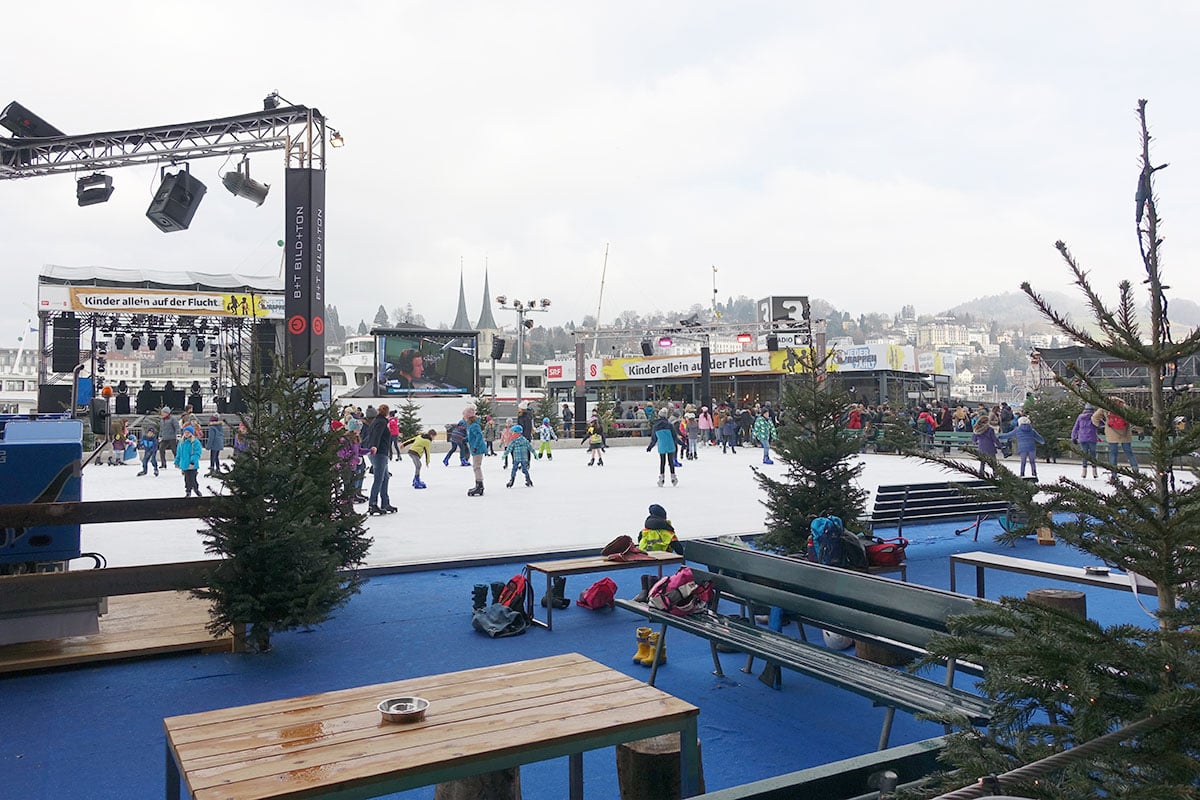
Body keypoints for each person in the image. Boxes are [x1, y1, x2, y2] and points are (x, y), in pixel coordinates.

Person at [361, 404, 397, 514]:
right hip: (379, 453)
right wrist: (374, 446)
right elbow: (376, 435)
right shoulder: (381, 422)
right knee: (379, 479)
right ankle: (372, 504)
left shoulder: (377, 421)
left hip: (380, 452)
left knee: (385, 478)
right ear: (386, 412)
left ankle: (385, 502)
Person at [1093, 399, 1139, 472]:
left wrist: (1098, 426)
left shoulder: (1104, 407)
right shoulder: (1124, 407)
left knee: (1113, 454)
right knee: (1129, 453)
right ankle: (1136, 472)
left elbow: (1095, 417)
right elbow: (1135, 418)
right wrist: (1140, 430)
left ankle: (1114, 474)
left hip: (1111, 433)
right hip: (1125, 433)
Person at [647, 407, 679, 486]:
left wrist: (650, 446)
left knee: (662, 462)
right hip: (670, 444)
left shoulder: (656, 426)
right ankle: (673, 477)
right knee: (671, 461)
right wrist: (682, 443)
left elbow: (654, 438)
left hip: (662, 445)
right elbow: (675, 436)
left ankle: (661, 478)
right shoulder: (669, 425)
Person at [1071, 404, 1101, 478]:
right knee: (1093, 454)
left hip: (1082, 438)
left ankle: (1084, 471)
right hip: (1092, 438)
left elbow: (1076, 427)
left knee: (1084, 454)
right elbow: (1101, 425)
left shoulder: (1080, 417)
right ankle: (1094, 472)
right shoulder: (1094, 417)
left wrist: (1074, 437)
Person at [174, 425, 203, 497]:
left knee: (193, 478)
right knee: (187, 478)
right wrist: (176, 462)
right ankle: (188, 491)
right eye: (185, 432)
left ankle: (196, 489)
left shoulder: (195, 442)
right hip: (184, 464)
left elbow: (197, 453)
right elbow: (179, 453)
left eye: (188, 432)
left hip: (192, 465)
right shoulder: (181, 442)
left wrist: (192, 461)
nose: (186, 434)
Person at [464, 406, 487, 497]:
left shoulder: (474, 426)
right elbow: (472, 437)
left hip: (477, 449)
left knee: (476, 467)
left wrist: (475, 447)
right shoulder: (471, 426)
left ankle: (479, 486)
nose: (464, 418)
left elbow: (479, 436)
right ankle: (479, 485)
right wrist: (465, 439)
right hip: (475, 448)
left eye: (465, 416)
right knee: (476, 467)